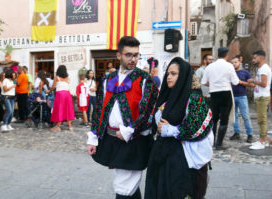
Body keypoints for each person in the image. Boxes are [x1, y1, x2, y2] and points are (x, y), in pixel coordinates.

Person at [87, 36, 158, 199]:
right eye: (128, 55)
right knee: (128, 185)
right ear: (119, 55)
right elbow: (99, 110)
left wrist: (132, 130)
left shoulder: (145, 80)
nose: (133, 59)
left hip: (134, 141)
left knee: (124, 188)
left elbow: (150, 112)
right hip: (111, 140)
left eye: (136, 55)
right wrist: (94, 137)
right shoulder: (107, 80)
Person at [145, 57, 214, 199]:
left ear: (183, 75)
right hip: (162, 156)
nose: (169, 77)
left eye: (174, 74)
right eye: (168, 73)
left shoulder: (194, 98)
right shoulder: (166, 96)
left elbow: (197, 127)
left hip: (182, 161)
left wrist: (170, 130)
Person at [201, 47, 240, 150]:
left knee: (214, 119)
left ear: (218, 54)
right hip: (225, 94)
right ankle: (219, 144)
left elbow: (204, 82)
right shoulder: (229, 66)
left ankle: (212, 142)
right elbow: (235, 82)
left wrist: (214, 84)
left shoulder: (210, 67)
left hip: (214, 94)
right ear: (226, 55)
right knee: (224, 119)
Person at [248, 50, 272, 150]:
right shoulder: (261, 68)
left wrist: (253, 80)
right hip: (260, 96)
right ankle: (263, 139)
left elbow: (264, 84)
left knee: (262, 120)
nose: (253, 60)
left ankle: (263, 141)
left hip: (262, 97)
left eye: (255, 58)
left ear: (260, 58)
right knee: (260, 119)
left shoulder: (264, 69)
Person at [229, 56, 254, 143]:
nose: (234, 64)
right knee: (234, 117)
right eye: (232, 63)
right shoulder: (230, 73)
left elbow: (251, 85)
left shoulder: (245, 72)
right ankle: (236, 133)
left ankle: (250, 134)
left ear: (239, 62)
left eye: (235, 62)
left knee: (245, 116)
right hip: (232, 97)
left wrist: (241, 82)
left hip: (242, 97)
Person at [48, 65, 75, 131]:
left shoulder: (56, 77)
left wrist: (49, 91)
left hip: (60, 94)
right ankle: (70, 125)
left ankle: (58, 126)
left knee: (60, 109)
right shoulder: (68, 78)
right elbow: (68, 86)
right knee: (68, 109)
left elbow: (53, 87)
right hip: (67, 94)